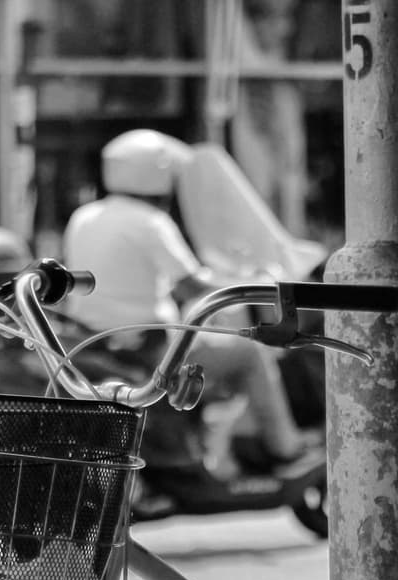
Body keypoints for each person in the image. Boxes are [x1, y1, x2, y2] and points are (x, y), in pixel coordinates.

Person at [61, 128, 311, 470]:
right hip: (152, 347)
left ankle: (208, 447)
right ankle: (285, 446)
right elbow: (193, 287)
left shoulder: (84, 217)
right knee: (250, 354)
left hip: (98, 341)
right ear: (158, 173)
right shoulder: (151, 222)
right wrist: (253, 282)